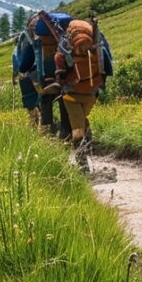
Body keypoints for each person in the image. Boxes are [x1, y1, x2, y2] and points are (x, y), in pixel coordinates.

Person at [44, 18, 107, 173]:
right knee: (82, 122)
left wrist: (59, 81)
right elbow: (106, 67)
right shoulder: (96, 48)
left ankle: (83, 165)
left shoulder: (64, 50)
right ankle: (88, 147)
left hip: (71, 96)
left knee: (77, 129)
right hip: (92, 93)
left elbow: (60, 72)